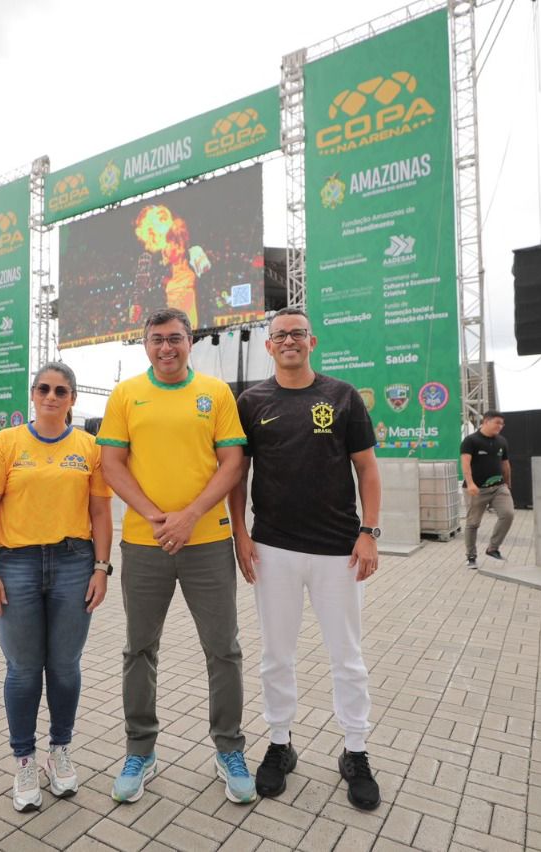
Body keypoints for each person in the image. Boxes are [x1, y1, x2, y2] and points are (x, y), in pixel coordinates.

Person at [96, 307, 255, 805]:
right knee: (138, 650)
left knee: (223, 650)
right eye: (157, 339)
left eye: (176, 339)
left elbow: (233, 462)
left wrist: (190, 516)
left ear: (191, 342)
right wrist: (157, 515)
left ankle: (229, 748)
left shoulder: (216, 393)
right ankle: (140, 750)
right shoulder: (127, 394)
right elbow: (110, 463)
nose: (167, 347)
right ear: (146, 345)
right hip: (145, 545)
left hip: (208, 542)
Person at [227, 307, 383, 810]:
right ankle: (279, 743)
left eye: (297, 333)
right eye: (280, 336)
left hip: (339, 551)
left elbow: (368, 470)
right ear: (269, 346)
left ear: (311, 341)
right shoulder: (250, 402)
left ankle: (355, 752)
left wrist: (369, 533)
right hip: (272, 548)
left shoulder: (342, 397)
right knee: (277, 655)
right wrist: (240, 537)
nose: (289, 341)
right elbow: (237, 475)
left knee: (347, 659)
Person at [0, 362, 114, 813]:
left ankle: (59, 751)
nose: (52, 396)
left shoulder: (90, 449)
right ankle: (24, 760)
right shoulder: (5, 444)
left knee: (66, 665)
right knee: (23, 668)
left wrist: (101, 568)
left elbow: (101, 514)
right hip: (17, 565)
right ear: (32, 395)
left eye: (62, 390)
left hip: (75, 563)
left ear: (73, 399)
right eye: (44, 389)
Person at [461, 412, 514, 569]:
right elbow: (465, 463)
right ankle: (471, 556)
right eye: (497, 423)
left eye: (502, 424)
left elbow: (505, 464)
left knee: (508, 514)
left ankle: (493, 548)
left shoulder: (502, 441)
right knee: (473, 523)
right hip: (476, 489)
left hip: (499, 487)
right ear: (486, 421)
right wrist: (470, 483)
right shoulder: (471, 441)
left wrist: (508, 484)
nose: (500, 426)